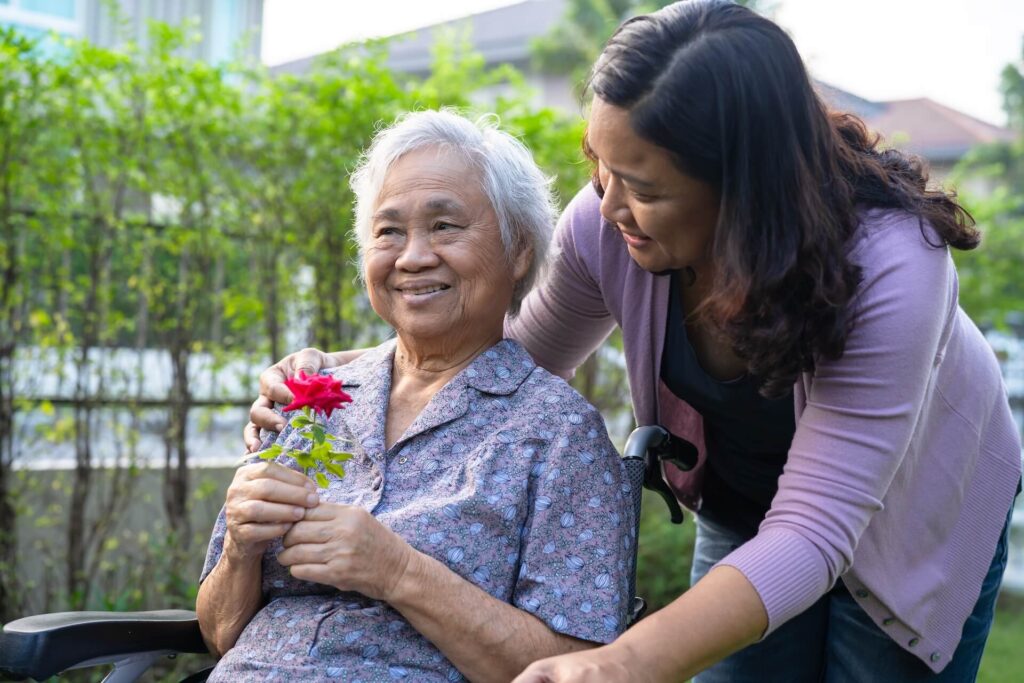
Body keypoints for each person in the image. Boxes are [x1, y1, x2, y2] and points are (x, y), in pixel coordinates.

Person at [247, 2, 1023, 681]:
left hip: (913, 514)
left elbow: (817, 531)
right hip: (748, 501)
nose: (608, 203)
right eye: (599, 165)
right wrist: (342, 377)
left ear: (739, 188)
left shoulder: (891, 265)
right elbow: (508, 354)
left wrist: (626, 659)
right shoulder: (606, 222)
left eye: (644, 187)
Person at [197, 109, 636, 682]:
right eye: (388, 232)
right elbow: (218, 635)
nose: (412, 257)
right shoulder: (311, 402)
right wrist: (241, 548)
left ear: (519, 251)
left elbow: (574, 667)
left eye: (445, 227)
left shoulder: (558, 434)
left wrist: (398, 571)